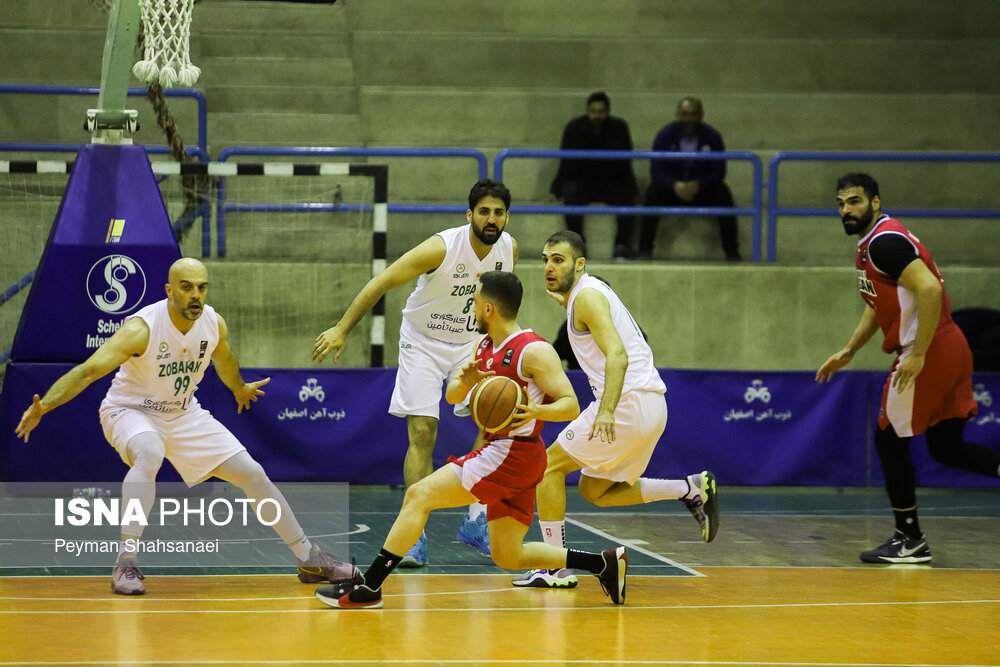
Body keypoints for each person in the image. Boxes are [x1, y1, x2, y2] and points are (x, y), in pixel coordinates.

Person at [15, 258, 357, 595]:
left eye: (202, 288)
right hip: (129, 410)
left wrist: (239, 388)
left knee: (252, 473)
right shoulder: (142, 329)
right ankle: (125, 561)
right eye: (187, 287)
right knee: (150, 452)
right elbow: (89, 371)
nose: (196, 295)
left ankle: (308, 558)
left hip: (182, 413)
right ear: (169, 290)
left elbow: (225, 358)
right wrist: (46, 405)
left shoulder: (213, 323)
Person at [315, 271, 629, 609]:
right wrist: (466, 380)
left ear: (489, 309)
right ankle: (604, 563)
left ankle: (370, 586)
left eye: (475, 303)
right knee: (508, 555)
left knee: (418, 495)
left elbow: (570, 405)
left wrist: (535, 410)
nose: (472, 309)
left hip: (512, 452)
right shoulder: (483, 346)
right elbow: (452, 396)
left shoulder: (534, 350)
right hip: (515, 457)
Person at [312, 179, 518, 566]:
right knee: (423, 432)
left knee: (493, 422)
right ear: (469, 214)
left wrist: (503, 345)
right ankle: (415, 534)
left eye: (499, 212)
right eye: (484, 212)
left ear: (507, 217)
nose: (491, 219)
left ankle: (476, 520)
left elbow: (498, 304)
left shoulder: (509, 249)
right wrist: (342, 328)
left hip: (470, 342)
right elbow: (381, 281)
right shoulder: (441, 248)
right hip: (423, 341)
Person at [512, 230, 718, 589]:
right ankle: (689, 488)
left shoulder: (587, 297)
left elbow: (618, 356)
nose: (549, 267)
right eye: (545, 260)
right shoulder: (586, 296)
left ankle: (556, 567)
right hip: (651, 406)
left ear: (579, 264)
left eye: (558, 260)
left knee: (548, 468)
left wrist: (606, 411)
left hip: (625, 404)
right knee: (594, 491)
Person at [816, 173, 1000, 564]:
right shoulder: (877, 240)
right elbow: (878, 304)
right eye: (841, 203)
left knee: (888, 441)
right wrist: (850, 349)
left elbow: (930, 289)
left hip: (930, 351)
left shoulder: (883, 243)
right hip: (951, 346)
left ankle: (910, 538)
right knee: (947, 448)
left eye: (855, 201)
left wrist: (917, 353)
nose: (846, 210)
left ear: (875, 202)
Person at [639, 96, 741, 261]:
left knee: (723, 194)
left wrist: (699, 184)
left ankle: (732, 252)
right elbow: (656, 170)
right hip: (672, 191)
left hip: (701, 191)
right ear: (678, 115)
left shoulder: (712, 136)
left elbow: (719, 171)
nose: (689, 119)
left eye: (694, 114)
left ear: (701, 115)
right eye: (685, 114)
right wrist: (675, 185)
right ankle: (644, 250)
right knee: (652, 193)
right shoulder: (665, 135)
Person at [549, 91, 638, 260]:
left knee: (626, 193)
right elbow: (566, 162)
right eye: (593, 111)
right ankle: (576, 245)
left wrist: (633, 188)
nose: (597, 116)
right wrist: (555, 190)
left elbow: (625, 163)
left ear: (608, 111)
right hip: (583, 183)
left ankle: (623, 245)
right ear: (587, 111)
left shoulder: (619, 127)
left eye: (601, 111)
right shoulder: (574, 127)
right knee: (571, 192)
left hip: (611, 182)